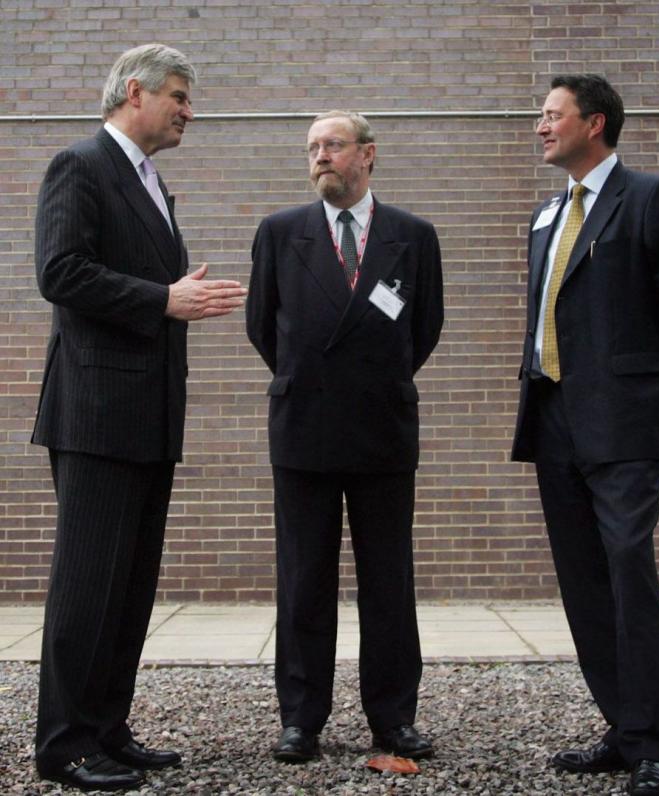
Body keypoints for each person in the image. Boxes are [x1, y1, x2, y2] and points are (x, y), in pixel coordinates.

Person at [32, 43, 247, 792]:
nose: (190, 110)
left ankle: (107, 729)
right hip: (95, 415)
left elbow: (121, 276)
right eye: (181, 96)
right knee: (88, 584)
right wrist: (163, 299)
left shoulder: (151, 181)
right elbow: (59, 272)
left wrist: (170, 286)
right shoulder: (81, 165)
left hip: (150, 416)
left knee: (130, 586)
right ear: (136, 92)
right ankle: (63, 745)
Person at [511, 74, 659, 796]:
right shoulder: (545, 214)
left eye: (551, 115)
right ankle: (624, 731)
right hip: (554, 421)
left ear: (593, 123)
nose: (540, 126)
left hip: (625, 425)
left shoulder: (651, 197)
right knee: (585, 586)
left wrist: (655, 404)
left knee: (628, 575)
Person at [246, 110, 443, 763]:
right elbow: (262, 329)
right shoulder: (280, 233)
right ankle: (301, 717)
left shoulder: (413, 237)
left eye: (332, 145)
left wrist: (371, 377)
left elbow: (425, 329)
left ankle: (394, 717)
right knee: (304, 579)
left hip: (383, 426)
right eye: (311, 147)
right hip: (304, 425)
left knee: (389, 579)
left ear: (368, 154)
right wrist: (311, 377)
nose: (319, 156)